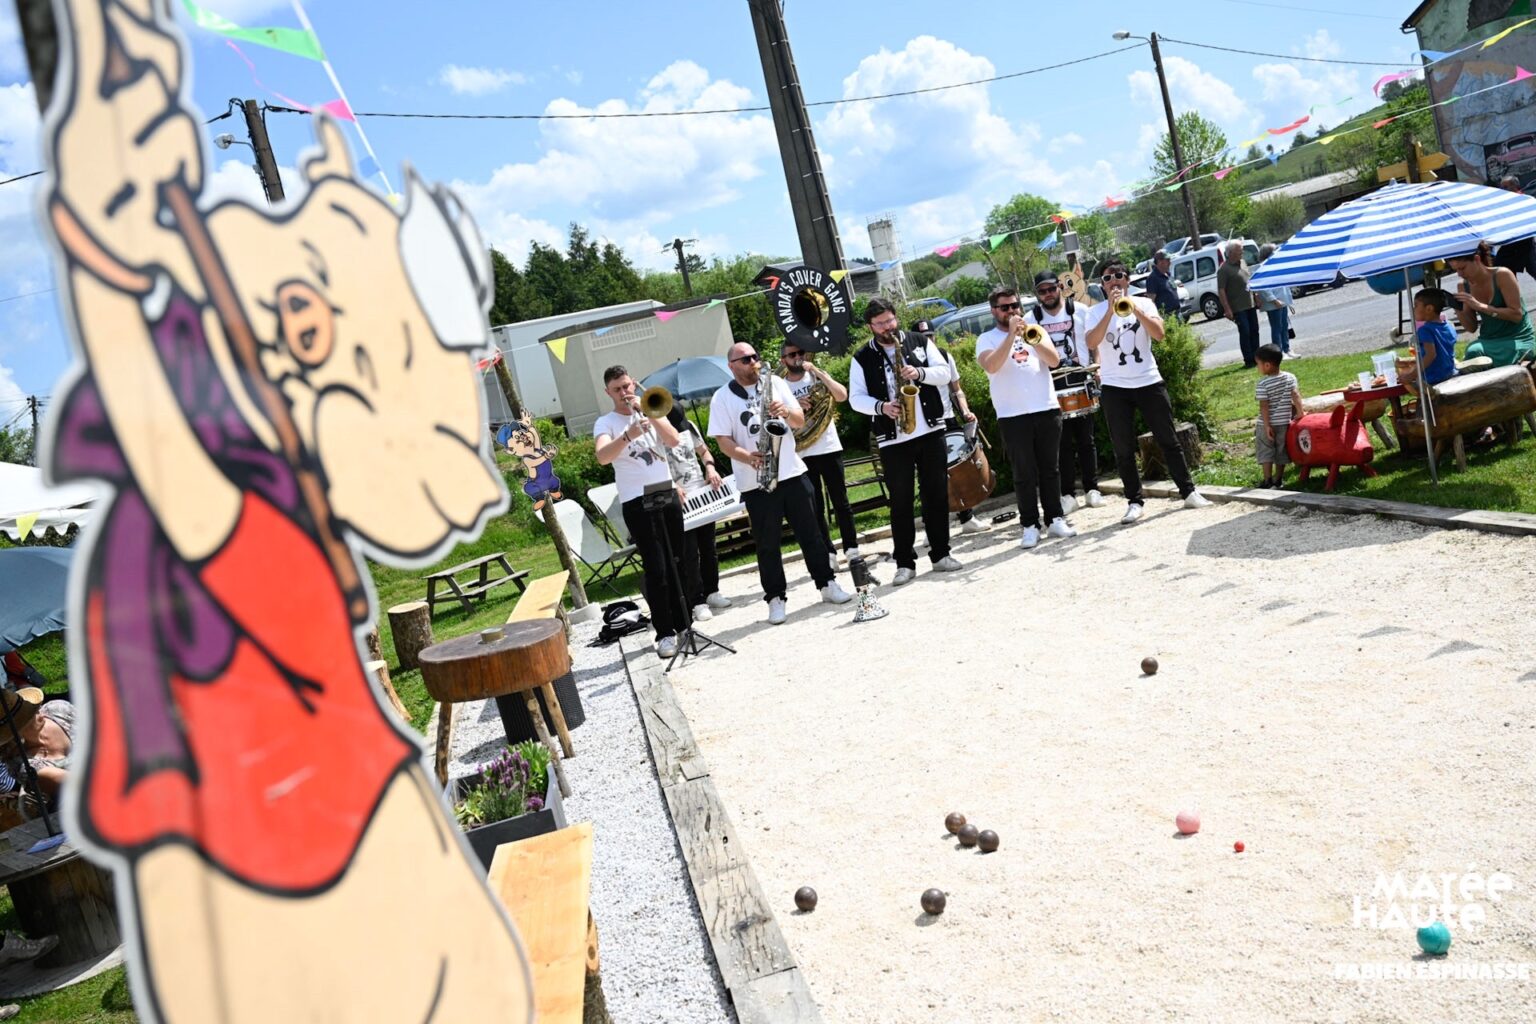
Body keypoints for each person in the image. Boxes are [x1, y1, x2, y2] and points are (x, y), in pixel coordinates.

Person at [708, 343, 852, 625]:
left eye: (755, 356)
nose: (753, 361)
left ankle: (827, 583)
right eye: (745, 359)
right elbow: (723, 441)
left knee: (812, 534)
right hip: (756, 481)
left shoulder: (774, 382)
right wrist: (747, 456)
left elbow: (798, 420)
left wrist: (785, 411)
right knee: (768, 544)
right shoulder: (721, 397)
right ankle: (776, 598)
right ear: (731, 366)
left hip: (792, 472)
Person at [1085, 259, 1212, 524]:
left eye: (1118, 276)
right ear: (1102, 285)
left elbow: (1159, 334)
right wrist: (1110, 311)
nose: (1114, 281)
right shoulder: (1094, 312)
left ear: (1127, 279)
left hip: (1148, 381)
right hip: (1115, 387)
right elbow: (1091, 342)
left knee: (1168, 439)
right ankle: (1134, 501)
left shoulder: (1144, 303)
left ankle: (1188, 491)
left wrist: (1135, 309)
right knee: (1123, 448)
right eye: (1108, 278)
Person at [848, 299, 965, 585]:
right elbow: (855, 398)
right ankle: (904, 562)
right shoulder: (862, 357)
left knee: (936, 495)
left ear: (895, 318)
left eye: (890, 321)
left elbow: (944, 373)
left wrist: (919, 373)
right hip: (893, 438)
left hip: (930, 429)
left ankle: (941, 554)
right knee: (900, 501)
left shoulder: (918, 341)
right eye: (880, 324)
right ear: (870, 326)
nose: (887, 328)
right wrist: (882, 407)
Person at [594, 366, 687, 657]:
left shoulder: (650, 409)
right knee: (657, 569)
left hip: (667, 493)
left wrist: (650, 414)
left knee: (678, 562)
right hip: (637, 502)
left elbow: (674, 440)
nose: (624, 393)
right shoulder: (606, 422)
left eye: (626, 386)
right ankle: (665, 632)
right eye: (617, 389)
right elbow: (602, 457)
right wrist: (628, 435)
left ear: (633, 384)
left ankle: (685, 625)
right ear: (608, 392)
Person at [976, 287, 1076, 549]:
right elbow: (991, 366)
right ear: (994, 311)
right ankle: (1030, 525)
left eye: (1014, 306)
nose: (1011, 311)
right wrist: (1011, 336)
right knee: (1023, 473)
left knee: (1050, 469)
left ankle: (1055, 519)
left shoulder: (1036, 330)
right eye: (1005, 307)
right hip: (1012, 415)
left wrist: (1032, 338)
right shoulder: (986, 339)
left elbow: (1054, 361)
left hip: (1045, 408)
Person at [780, 341, 861, 565]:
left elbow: (842, 395)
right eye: (792, 355)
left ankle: (851, 548)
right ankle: (828, 552)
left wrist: (817, 371)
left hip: (828, 446)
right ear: (783, 360)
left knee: (841, 501)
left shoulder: (817, 376)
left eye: (800, 353)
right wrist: (795, 407)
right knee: (815, 507)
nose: (798, 357)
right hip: (803, 452)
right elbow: (778, 419)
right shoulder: (781, 386)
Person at [1029, 271, 1103, 512]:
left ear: (1060, 286)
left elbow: (1093, 343)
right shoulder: (1031, 318)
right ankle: (1068, 494)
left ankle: (1092, 489)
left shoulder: (1081, 310)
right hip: (1050, 385)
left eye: (1051, 289)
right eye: (1042, 291)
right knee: (1061, 444)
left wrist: (1097, 366)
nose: (1048, 294)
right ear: (1037, 294)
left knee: (1086, 440)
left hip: (1080, 380)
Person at [912, 318, 989, 536]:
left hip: (947, 418)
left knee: (959, 470)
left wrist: (965, 410)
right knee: (927, 477)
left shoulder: (945, 356)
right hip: (924, 424)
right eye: (923, 338)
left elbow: (956, 389)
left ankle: (967, 517)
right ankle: (931, 528)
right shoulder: (910, 362)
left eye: (930, 336)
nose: (929, 341)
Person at [661, 403, 732, 622]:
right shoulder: (654, 432)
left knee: (709, 547)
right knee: (689, 552)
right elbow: (655, 467)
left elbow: (704, 451)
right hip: (678, 501)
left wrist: (710, 468)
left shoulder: (688, 426)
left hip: (700, 494)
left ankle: (712, 591)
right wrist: (672, 485)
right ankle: (697, 600)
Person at [1449, 241, 1536, 367]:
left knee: (1513, 355)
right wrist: (1458, 308)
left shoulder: (1502, 275)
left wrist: (1481, 307)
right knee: (1473, 351)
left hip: (1517, 338)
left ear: (1477, 259)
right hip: (1489, 339)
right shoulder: (1463, 286)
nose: (1459, 274)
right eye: (1456, 270)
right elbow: (1471, 328)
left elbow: (1517, 315)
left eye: (1462, 268)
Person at [1253, 343, 1302, 489]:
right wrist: (1300, 412)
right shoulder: (1290, 378)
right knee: (1281, 450)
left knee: (1266, 450)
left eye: (1258, 364)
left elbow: (1264, 406)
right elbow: (1296, 395)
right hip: (1284, 423)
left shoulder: (1263, 384)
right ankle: (1278, 479)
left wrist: (1267, 425)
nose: (1257, 367)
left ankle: (1267, 480)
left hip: (1266, 424)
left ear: (1267, 365)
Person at [1398, 288, 1459, 393]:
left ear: (1429, 309)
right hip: (1451, 373)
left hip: (1433, 379)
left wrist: (1412, 375)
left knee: (1405, 379)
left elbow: (1431, 355)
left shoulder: (1425, 330)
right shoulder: (1449, 326)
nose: (1413, 309)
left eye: (1416, 305)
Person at [1217, 241, 1261, 368]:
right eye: (1239, 250)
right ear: (1231, 252)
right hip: (1238, 307)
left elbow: (1249, 281)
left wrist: (1256, 296)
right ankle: (1249, 360)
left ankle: (1257, 357)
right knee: (1245, 332)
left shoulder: (1243, 262)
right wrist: (1227, 309)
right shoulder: (1224, 269)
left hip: (1250, 304)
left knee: (1254, 330)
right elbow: (1221, 290)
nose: (1242, 251)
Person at [1254, 244, 1297, 356]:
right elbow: (1263, 287)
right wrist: (1274, 300)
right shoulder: (1262, 267)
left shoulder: (1276, 265)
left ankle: (1287, 349)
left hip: (1282, 301)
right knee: (1277, 328)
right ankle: (1279, 352)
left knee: (1284, 326)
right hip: (1274, 304)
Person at [1494, 176, 1535, 282]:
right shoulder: (1503, 202)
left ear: (1515, 186)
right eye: (1501, 187)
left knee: (1532, 267)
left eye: (1505, 187)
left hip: (1524, 242)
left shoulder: (1524, 199)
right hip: (1510, 243)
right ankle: (1511, 291)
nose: (1503, 190)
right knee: (1503, 271)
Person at [1144, 250, 1181, 318]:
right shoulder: (1152, 278)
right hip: (1166, 316)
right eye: (1168, 260)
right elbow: (1151, 301)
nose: (1170, 263)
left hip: (1178, 312)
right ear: (1160, 262)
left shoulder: (1168, 274)